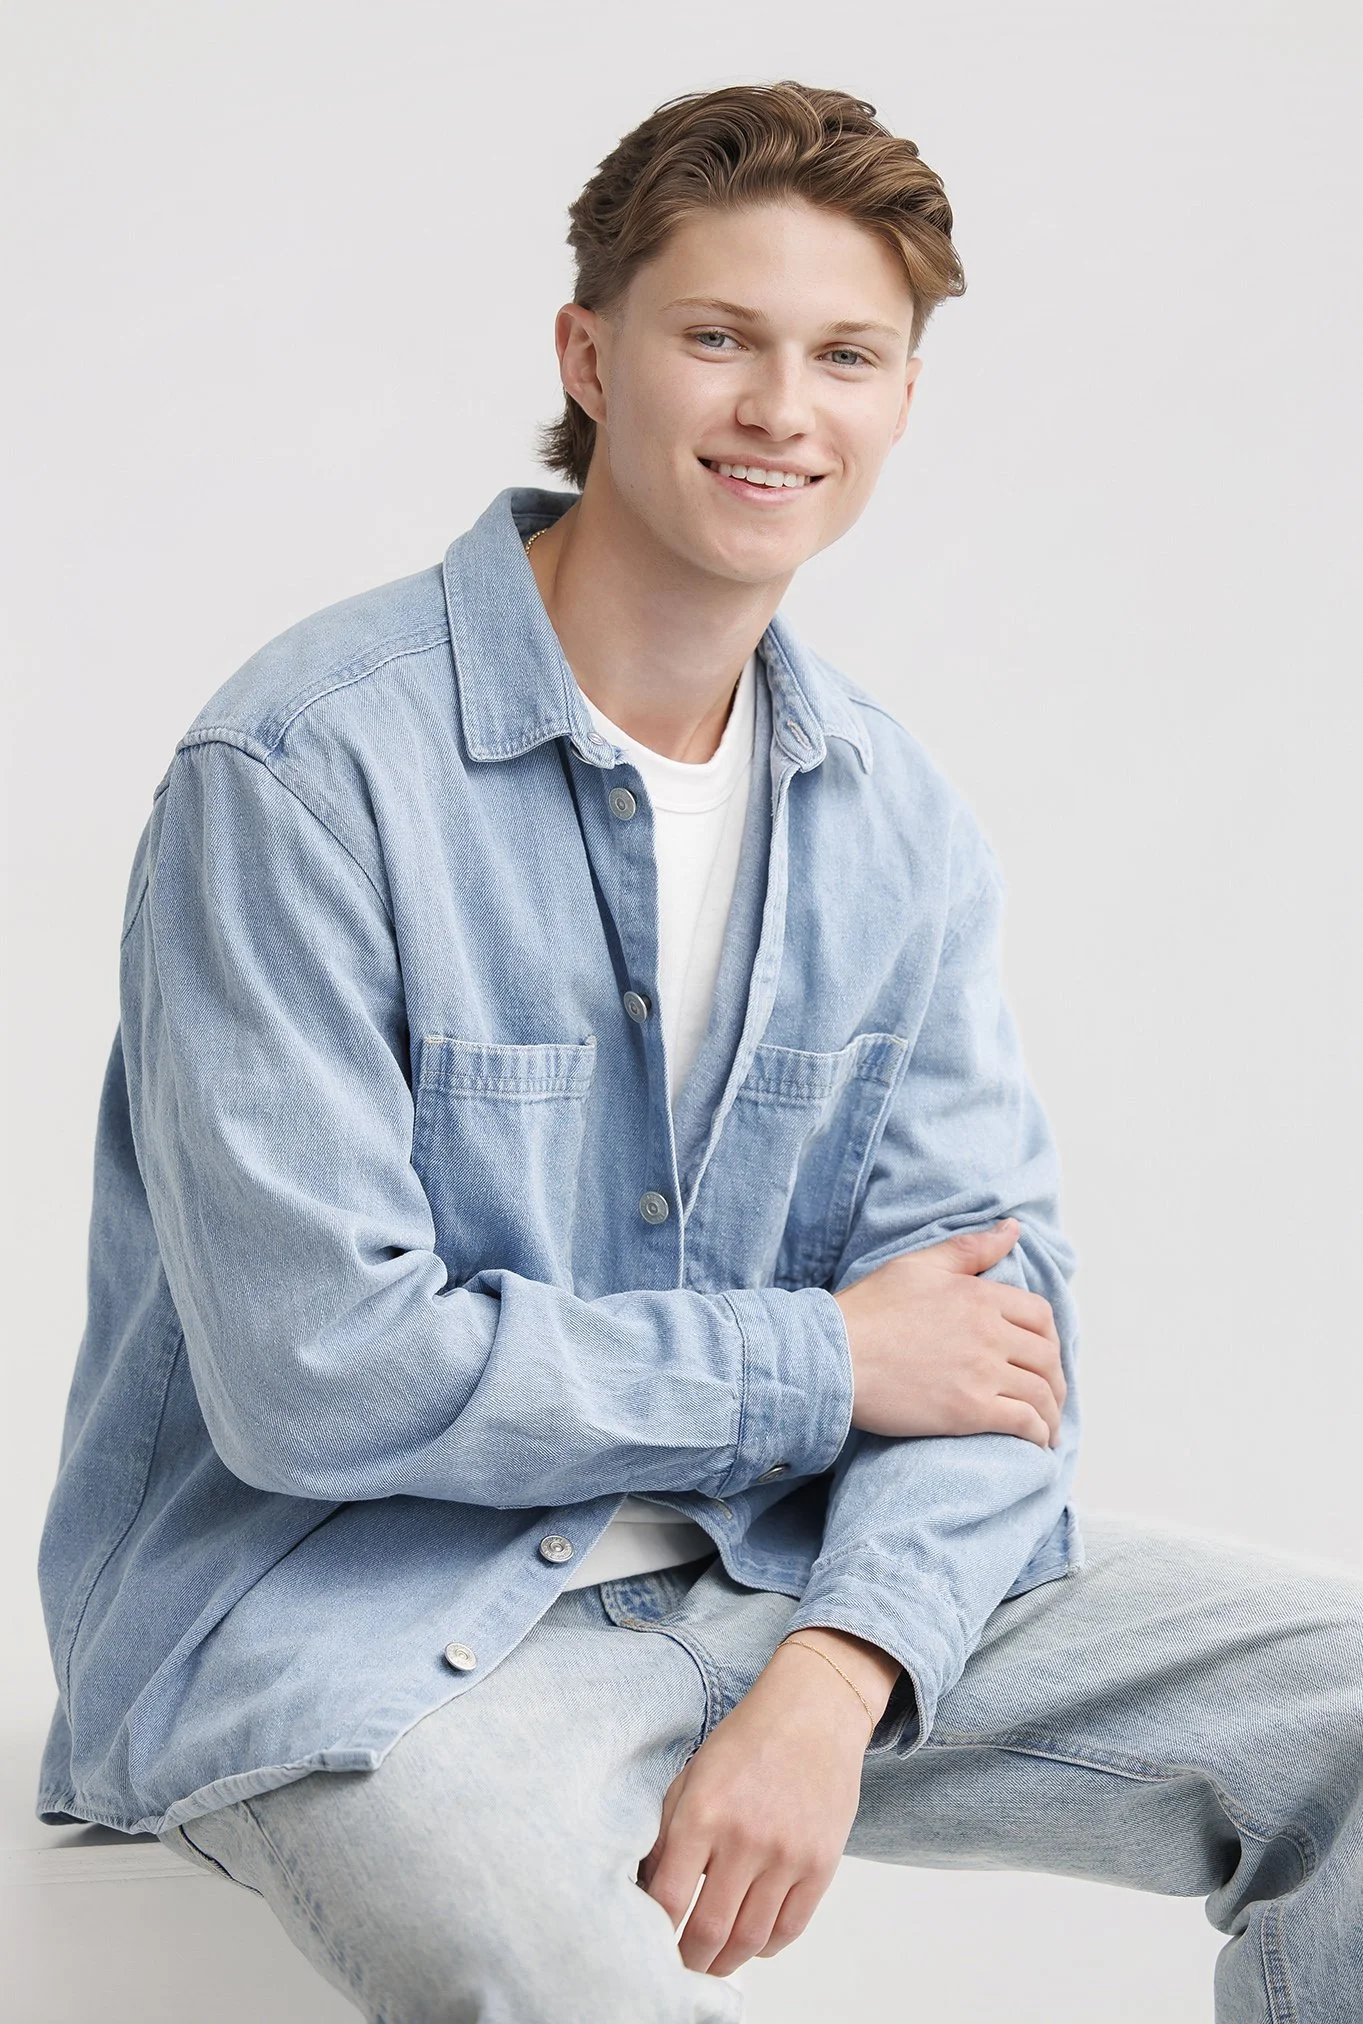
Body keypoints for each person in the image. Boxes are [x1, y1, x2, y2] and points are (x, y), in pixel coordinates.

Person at [34, 77, 1361, 2024]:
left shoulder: (890, 820)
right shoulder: (309, 773)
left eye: (846, 354)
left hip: (775, 1575)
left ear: (903, 400)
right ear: (590, 353)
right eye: (719, 336)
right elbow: (318, 1373)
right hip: (360, 1627)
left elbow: (992, 1351)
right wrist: (831, 1355)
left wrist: (842, 1669)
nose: (778, 407)